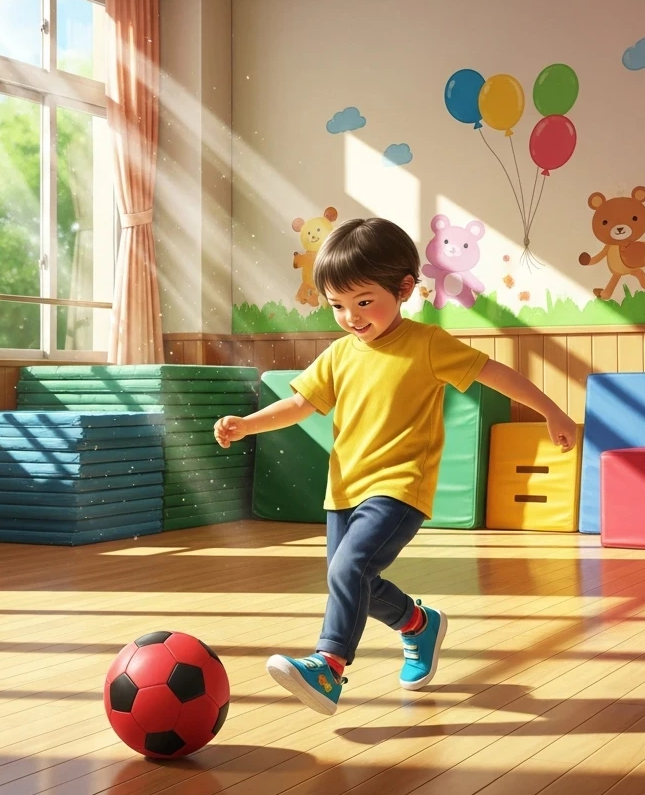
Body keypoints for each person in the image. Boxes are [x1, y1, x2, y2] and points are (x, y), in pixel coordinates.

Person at [214, 217, 577, 716]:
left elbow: (497, 374)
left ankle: (329, 667)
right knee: (353, 578)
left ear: (404, 288)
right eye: (338, 305)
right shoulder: (340, 354)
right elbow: (300, 404)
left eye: (364, 302)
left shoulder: (428, 345)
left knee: (349, 568)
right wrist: (247, 424)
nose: (351, 316)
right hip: (344, 489)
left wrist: (551, 410)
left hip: (401, 486)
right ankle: (418, 625)